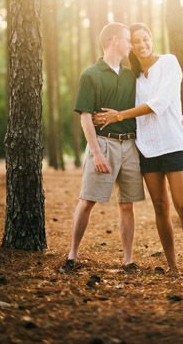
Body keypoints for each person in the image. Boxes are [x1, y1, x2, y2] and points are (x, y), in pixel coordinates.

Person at [96, 22, 183, 277]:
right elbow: (119, 102)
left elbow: (161, 102)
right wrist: (99, 116)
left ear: (151, 39)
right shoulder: (133, 77)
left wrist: (119, 116)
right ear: (129, 46)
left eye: (146, 39)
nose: (142, 45)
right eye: (136, 41)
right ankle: (172, 265)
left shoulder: (169, 62)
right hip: (147, 149)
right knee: (160, 207)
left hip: (174, 145)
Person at [62, 22, 144, 274]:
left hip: (130, 145)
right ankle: (72, 255)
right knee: (87, 201)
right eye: (128, 40)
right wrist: (96, 152)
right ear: (114, 41)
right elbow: (85, 116)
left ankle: (128, 260)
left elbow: (149, 105)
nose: (132, 45)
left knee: (127, 205)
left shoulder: (133, 76)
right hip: (103, 144)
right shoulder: (91, 75)